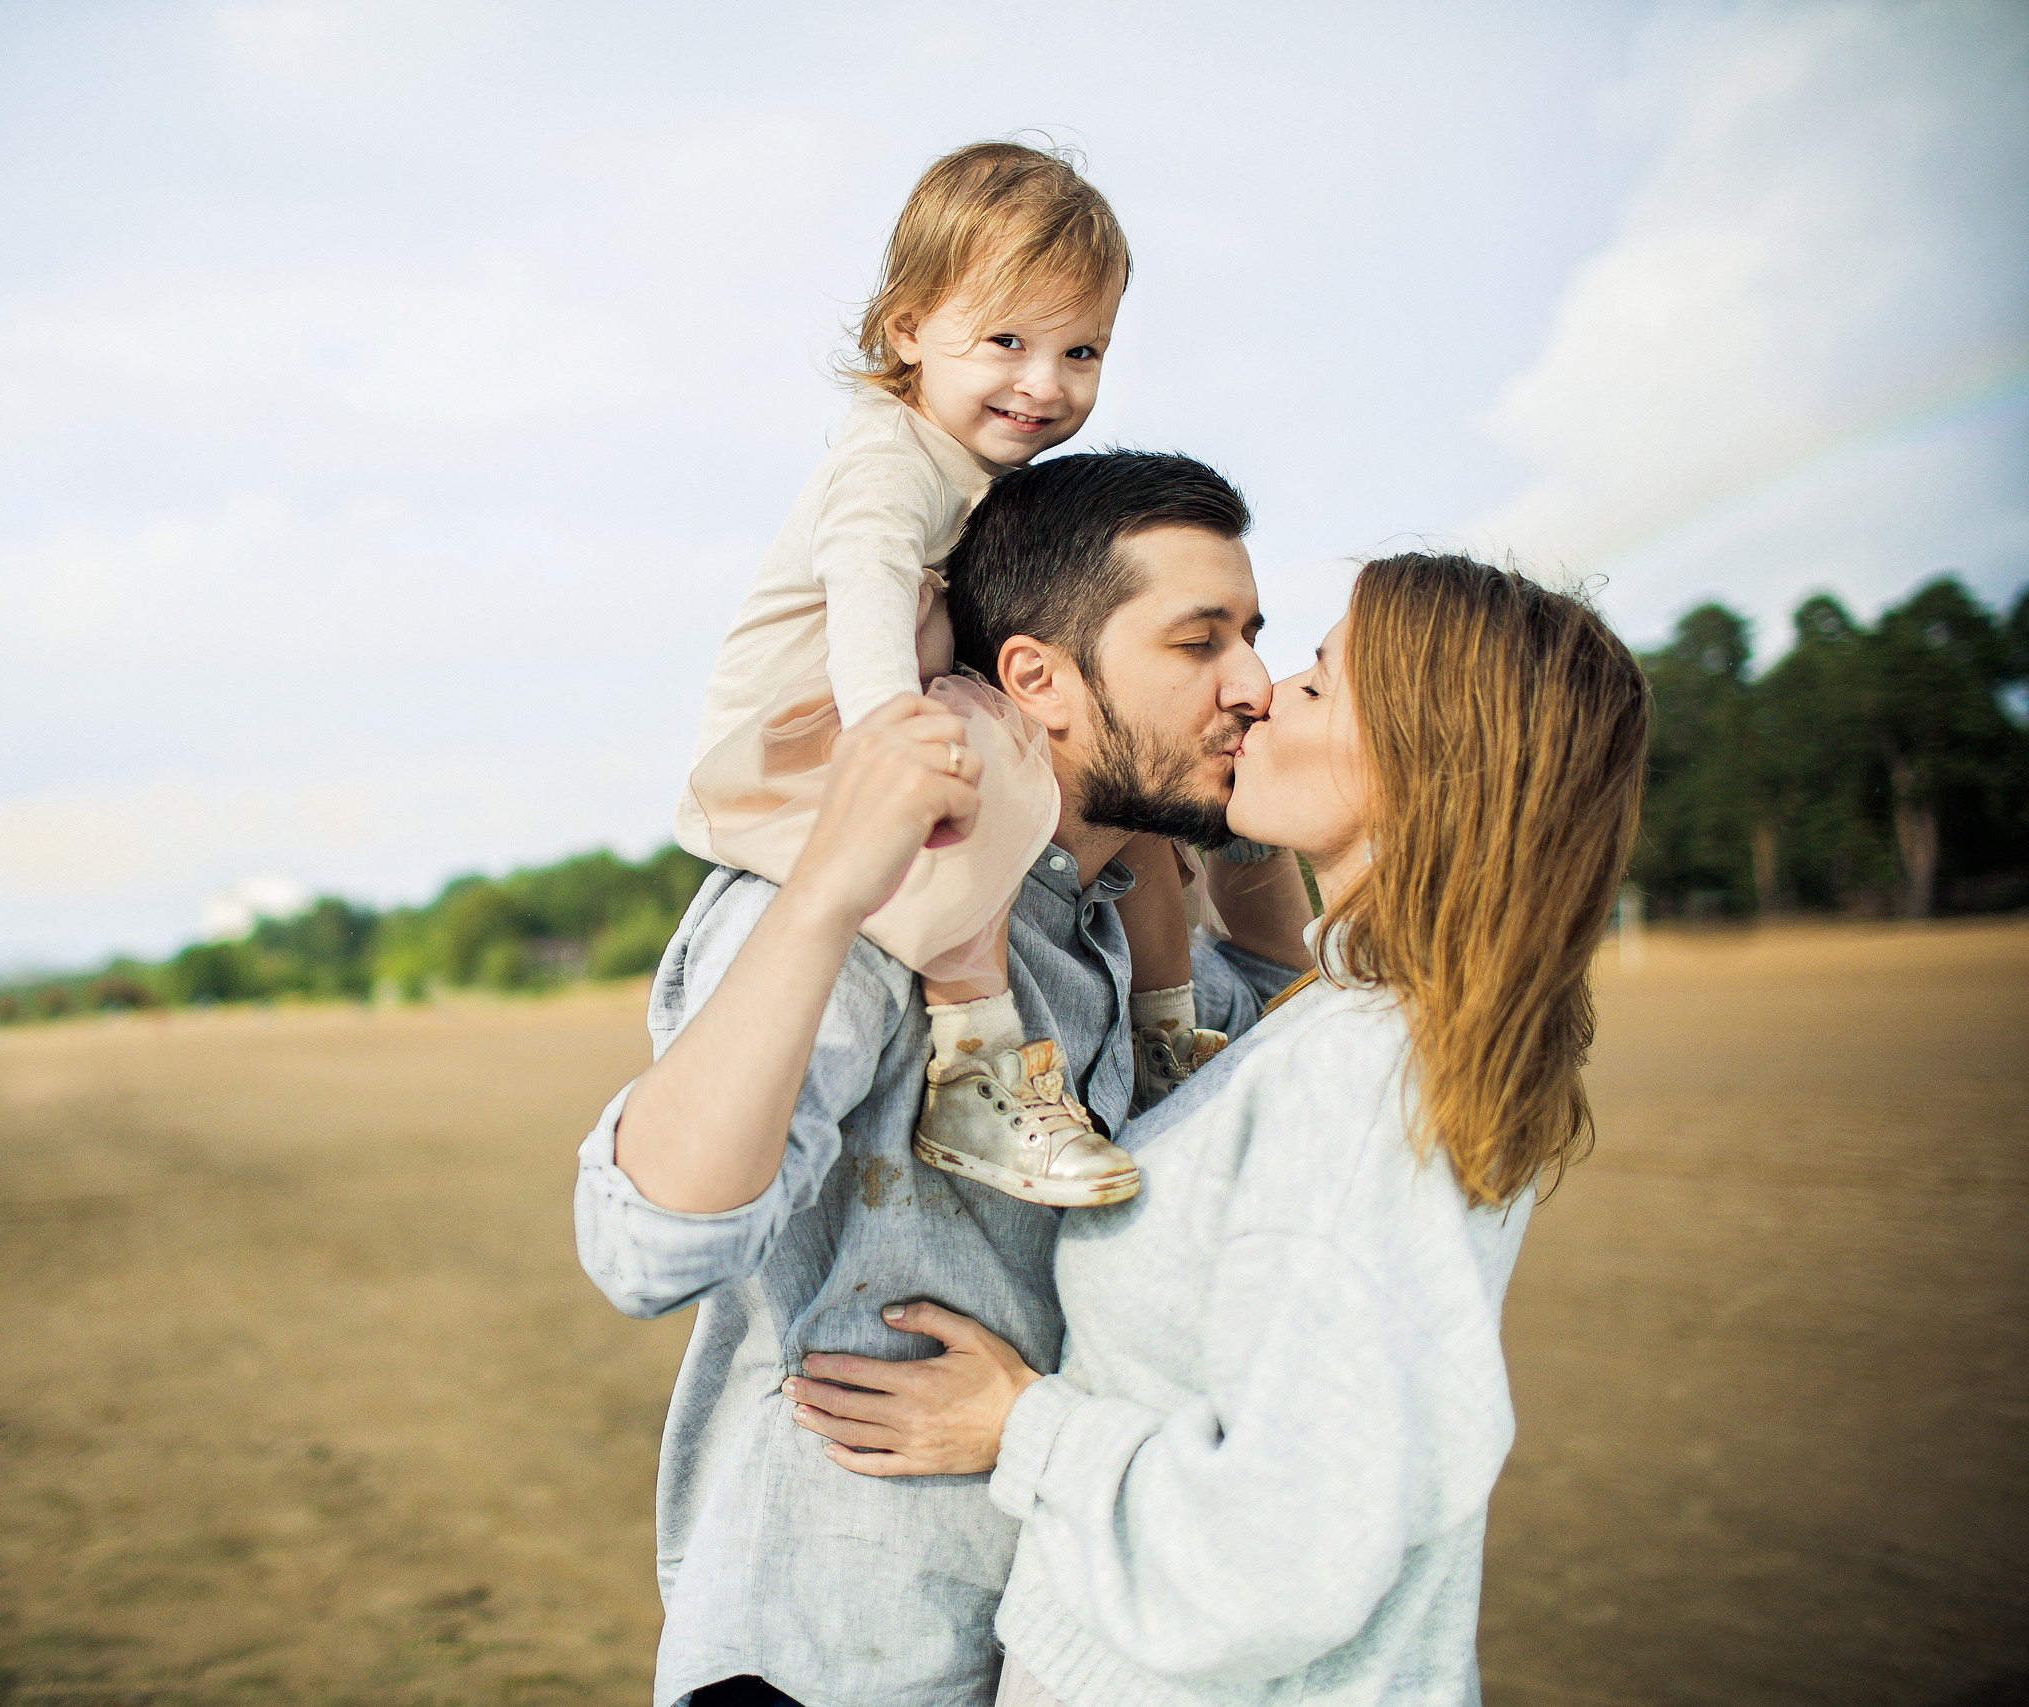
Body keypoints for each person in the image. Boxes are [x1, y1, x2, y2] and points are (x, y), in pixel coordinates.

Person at [780, 554, 1651, 1705]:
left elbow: (1287, 1547)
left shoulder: (1364, 1086)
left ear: (1424, 760)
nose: (1263, 690)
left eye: (1320, 684)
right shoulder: (1367, 1024)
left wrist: (1020, 1429)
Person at [577, 451, 1316, 1707]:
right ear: (1037, 678)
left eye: (1254, 637)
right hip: (832, 1653)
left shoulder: (1118, 929)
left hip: (1066, 1646)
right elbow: (643, 1244)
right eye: (1200, 644)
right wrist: (823, 894)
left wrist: (1242, 812)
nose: (1252, 684)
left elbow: (1287, 1009)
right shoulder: (879, 912)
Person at [677, 139, 1218, 1208]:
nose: (1044, 383)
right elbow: (871, 595)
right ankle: (973, 1063)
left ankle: (1163, 1037)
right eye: (1008, 340)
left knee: (1136, 798)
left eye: (1082, 353)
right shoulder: (888, 462)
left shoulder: (974, 467)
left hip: (905, 709)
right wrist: (893, 730)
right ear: (909, 330)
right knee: (980, 784)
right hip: (809, 746)